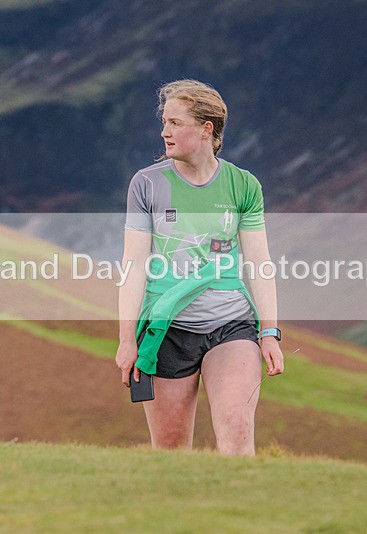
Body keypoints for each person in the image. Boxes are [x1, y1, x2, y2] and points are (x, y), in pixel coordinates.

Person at [115, 79, 283, 456]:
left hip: (231, 325)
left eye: (175, 122)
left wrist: (269, 331)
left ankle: (241, 513)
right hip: (166, 330)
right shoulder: (146, 184)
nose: (164, 131)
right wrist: (127, 339)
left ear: (206, 129)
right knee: (172, 452)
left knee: (238, 432)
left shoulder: (243, 185)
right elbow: (134, 266)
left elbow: (259, 264)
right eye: (164, 122)